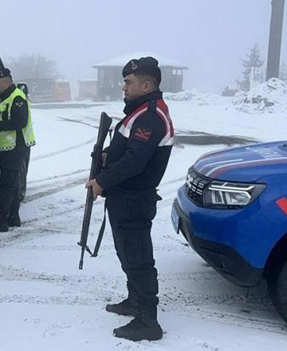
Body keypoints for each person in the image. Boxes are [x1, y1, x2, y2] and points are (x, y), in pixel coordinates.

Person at [86, 57, 174, 342]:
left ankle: (148, 320)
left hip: (134, 198)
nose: (123, 87)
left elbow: (136, 161)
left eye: (128, 82)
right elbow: (128, 148)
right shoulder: (138, 112)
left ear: (146, 84)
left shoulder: (150, 115)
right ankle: (135, 300)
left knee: (138, 258)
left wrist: (102, 181)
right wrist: (106, 155)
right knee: (127, 254)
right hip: (126, 196)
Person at [0, 68, 36, 235]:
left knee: (7, 186)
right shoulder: (8, 98)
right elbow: (7, 118)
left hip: (15, 148)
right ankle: (13, 217)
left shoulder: (17, 97)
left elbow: (20, 122)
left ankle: (1, 222)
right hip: (11, 148)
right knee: (14, 184)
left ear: (5, 81)